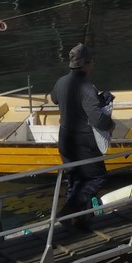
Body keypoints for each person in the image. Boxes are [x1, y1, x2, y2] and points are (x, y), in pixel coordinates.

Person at [52, 44, 114, 232]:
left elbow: (54, 99)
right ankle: (68, 213)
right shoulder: (87, 87)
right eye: (92, 61)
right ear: (87, 64)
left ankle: (78, 221)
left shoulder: (61, 81)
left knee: (74, 179)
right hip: (83, 142)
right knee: (97, 177)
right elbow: (96, 118)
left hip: (65, 138)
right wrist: (110, 125)